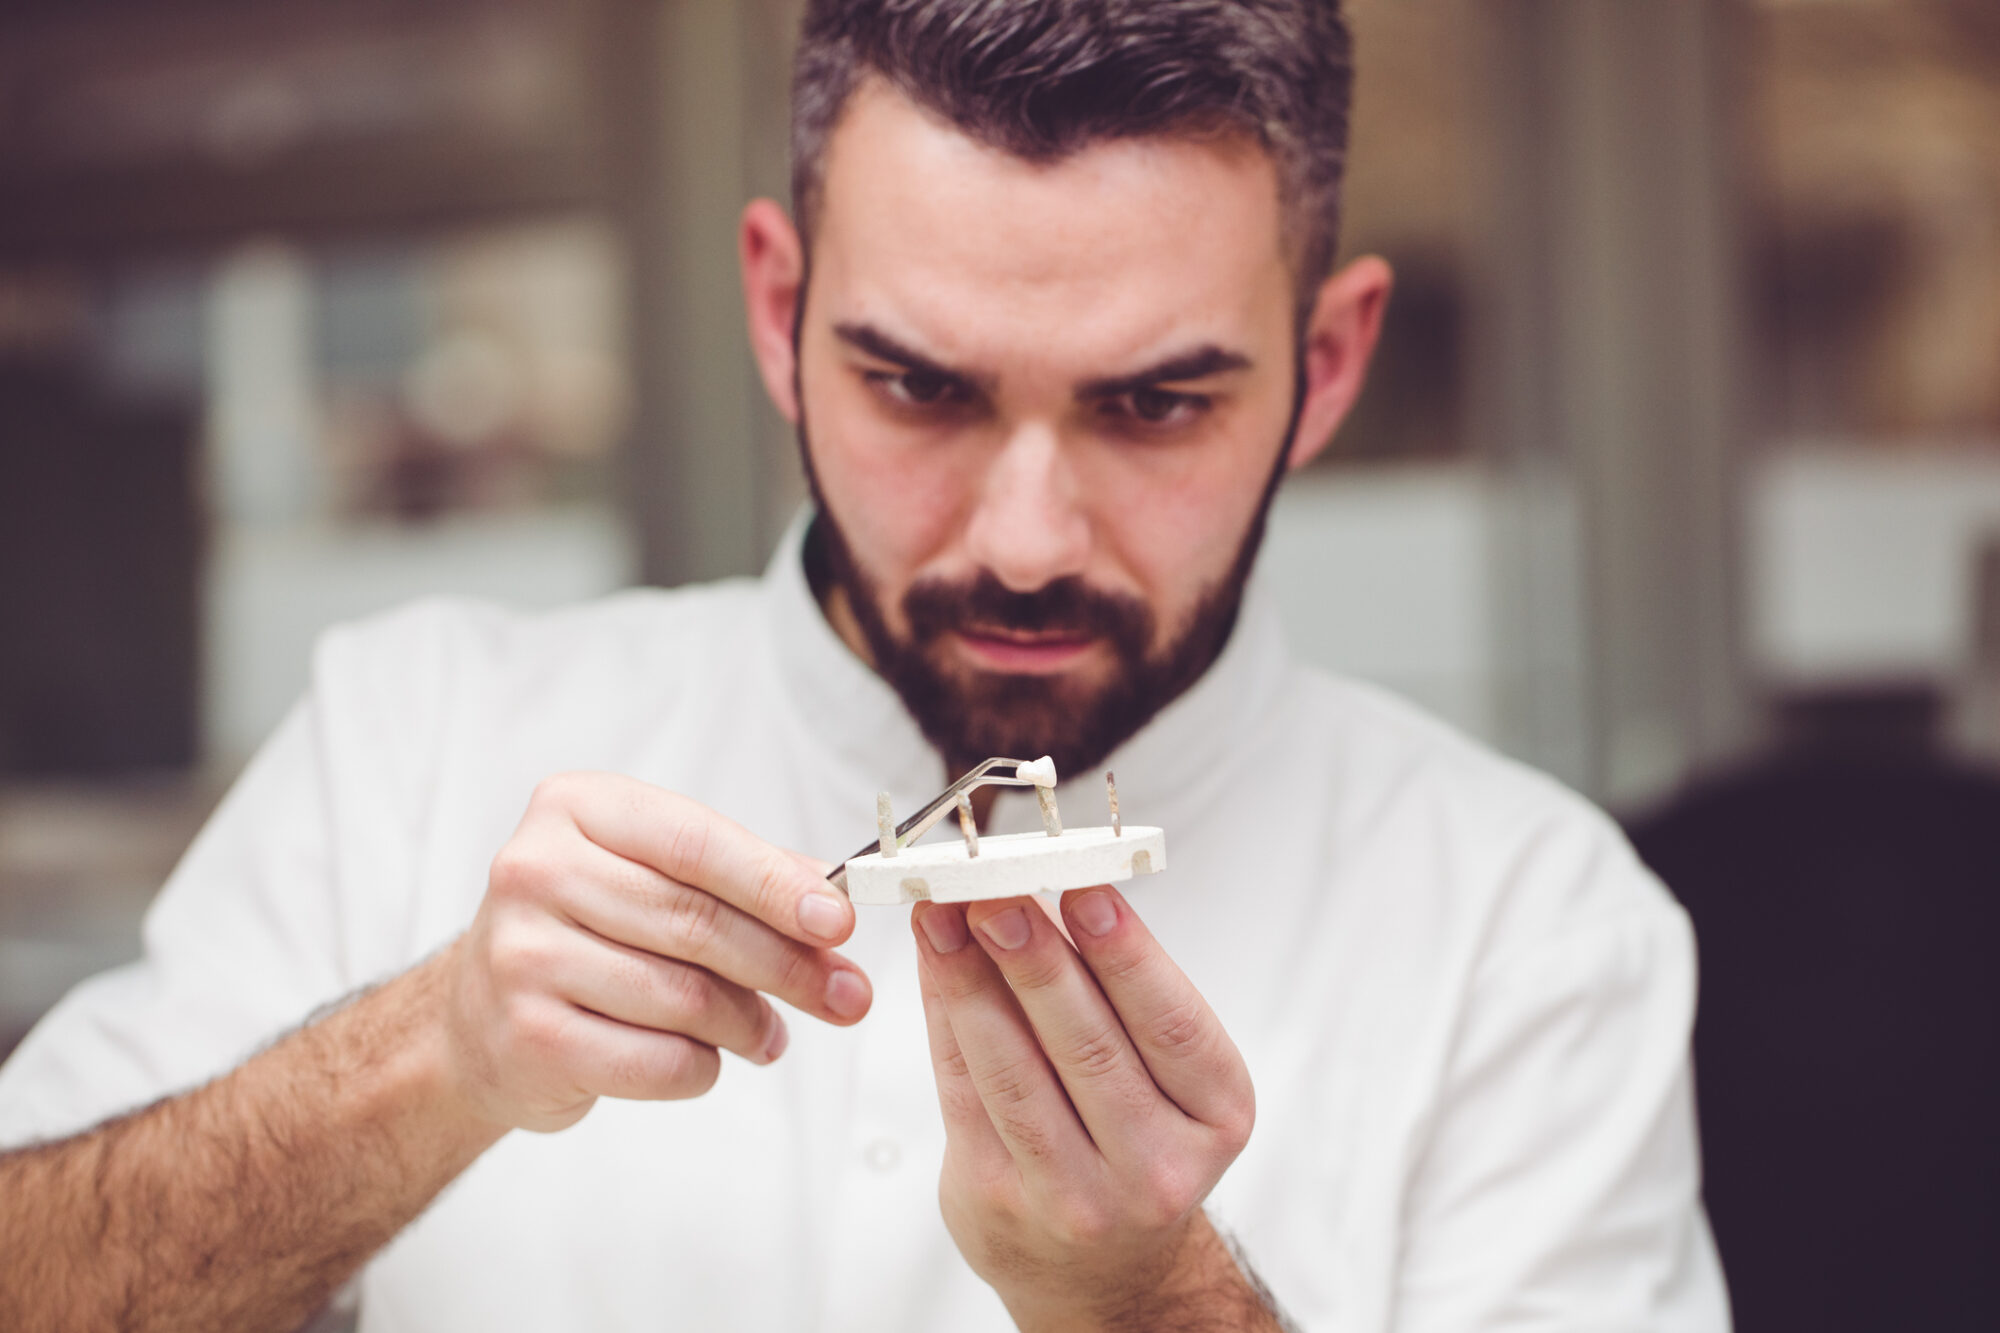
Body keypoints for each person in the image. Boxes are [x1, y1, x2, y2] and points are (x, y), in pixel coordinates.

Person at [0, 2, 1728, 1329]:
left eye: (1154, 404)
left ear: (1330, 362)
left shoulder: (1539, 929)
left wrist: (1150, 1304)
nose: (1030, 535)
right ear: (778, 309)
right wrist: (424, 1059)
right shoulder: (412, 736)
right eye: (922, 386)